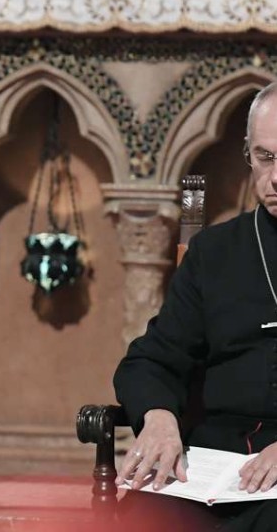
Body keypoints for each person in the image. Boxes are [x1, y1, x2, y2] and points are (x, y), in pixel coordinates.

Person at [114, 82, 277, 531]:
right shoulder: (215, 251)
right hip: (215, 463)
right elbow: (151, 359)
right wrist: (159, 416)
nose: (276, 176)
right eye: (265, 158)